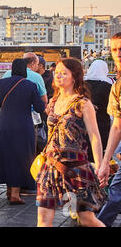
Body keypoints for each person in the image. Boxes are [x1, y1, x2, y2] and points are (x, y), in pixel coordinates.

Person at [36, 58, 106, 227]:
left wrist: (99, 164)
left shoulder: (83, 103)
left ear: (74, 77)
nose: (58, 76)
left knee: (86, 219)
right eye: (57, 72)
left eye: (63, 73)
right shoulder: (53, 102)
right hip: (50, 168)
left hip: (76, 171)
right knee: (43, 219)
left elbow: (95, 136)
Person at [0, 59, 45, 205]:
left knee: (7, 155)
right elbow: (40, 108)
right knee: (21, 157)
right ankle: (15, 194)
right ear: (25, 71)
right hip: (23, 125)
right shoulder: (30, 85)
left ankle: (9, 190)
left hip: (4, 125)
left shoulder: (2, 83)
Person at [97, 32, 121, 226]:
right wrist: (105, 161)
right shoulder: (116, 86)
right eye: (114, 49)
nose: (118, 53)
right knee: (114, 195)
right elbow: (117, 126)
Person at [84, 59, 112, 162]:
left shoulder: (83, 85)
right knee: (100, 152)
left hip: (84, 124)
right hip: (102, 124)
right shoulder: (107, 86)